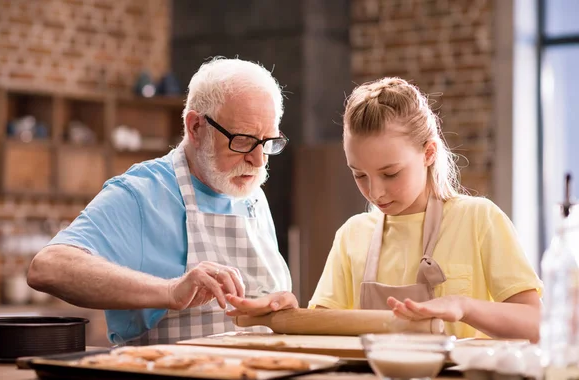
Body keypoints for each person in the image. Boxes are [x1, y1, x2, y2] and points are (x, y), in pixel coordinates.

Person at [227, 77, 543, 342]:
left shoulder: (478, 220)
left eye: (390, 173)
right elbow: (322, 331)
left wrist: (464, 307)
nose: (375, 192)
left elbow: (536, 324)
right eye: (359, 175)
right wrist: (287, 313)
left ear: (429, 152)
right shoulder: (352, 235)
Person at [27, 57, 297, 345]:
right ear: (195, 127)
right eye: (242, 140)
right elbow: (47, 267)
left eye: (268, 142)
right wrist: (169, 292)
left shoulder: (251, 195)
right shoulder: (142, 194)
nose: (257, 161)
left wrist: (279, 311)